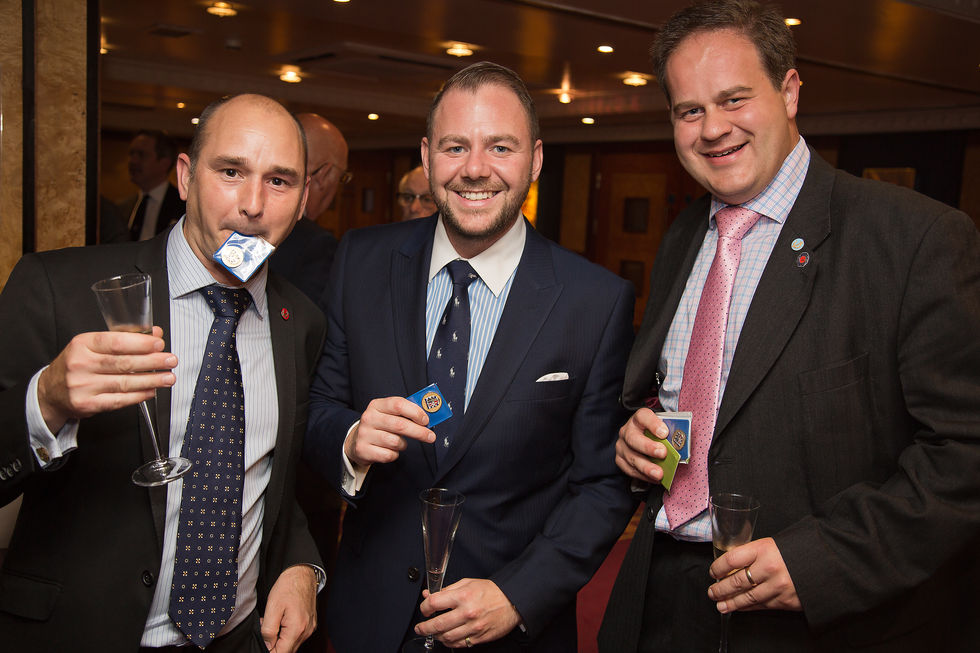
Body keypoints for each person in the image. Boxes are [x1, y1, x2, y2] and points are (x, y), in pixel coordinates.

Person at [597, 2, 980, 652]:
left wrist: (822, 561)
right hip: (658, 597)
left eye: (734, 99)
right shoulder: (684, 235)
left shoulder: (914, 239)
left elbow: (964, 453)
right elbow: (689, 397)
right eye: (690, 110)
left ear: (790, 91)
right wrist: (639, 437)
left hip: (816, 620)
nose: (713, 128)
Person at [304, 61, 636, 652]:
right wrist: (351, 440)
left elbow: (601, 487)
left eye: (500, 147)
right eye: (455, 147)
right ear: (427, 156)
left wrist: (519, 593)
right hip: (369, 621)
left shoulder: (595, 301)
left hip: (509, 630)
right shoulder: (361, 261)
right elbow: (319, 406)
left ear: (535, 159)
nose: (475, 168)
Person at [0, 93, 326, 653]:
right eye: (230, 172)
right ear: (184, 177)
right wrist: (46, 402)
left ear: (302, 203)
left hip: (237, 639)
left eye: (279, 182)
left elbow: (269, 476)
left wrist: (299, 564)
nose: (253, 205)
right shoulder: (58, 289)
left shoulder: (301, 322)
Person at [268, 113, 346, 317]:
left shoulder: (241, 220)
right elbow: (308, 326)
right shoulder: (317, 245)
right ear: (325, 175)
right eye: (341, 178)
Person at [118, 129, 187, 241]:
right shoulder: (123, 208)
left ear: (164, 163)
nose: (133, 161)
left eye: (141, 155)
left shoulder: (185, 207)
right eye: (131, 154)